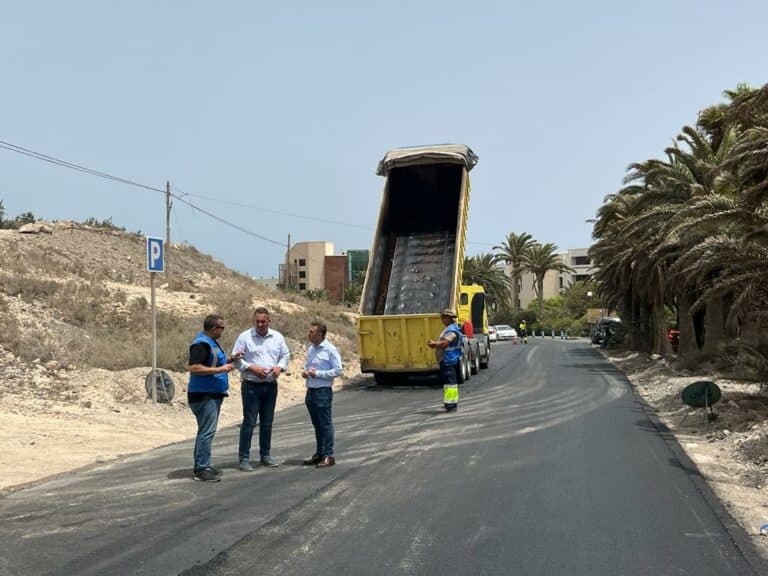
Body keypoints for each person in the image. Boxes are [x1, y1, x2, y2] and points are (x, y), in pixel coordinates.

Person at [232, 307, 290, 471]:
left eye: (263, 321)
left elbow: (285, 355)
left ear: (269, 321)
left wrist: (279, 367)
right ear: (253, 321)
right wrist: (251, 368)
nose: (260, 324)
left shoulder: (277, 337)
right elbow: (236, 358)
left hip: (270, 386)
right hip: (251, 386)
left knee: (267, 422)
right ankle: (244, 458)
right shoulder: (245, 337)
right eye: (257, 321)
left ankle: (265, 455)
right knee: (249, 422)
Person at [187, 314, 243, 482]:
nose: (222, 331)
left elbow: (213, 360)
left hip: (211, 393)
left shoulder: (210, 343)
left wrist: (231, 359)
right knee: (206, 432)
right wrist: (220, 370)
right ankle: (202, 469)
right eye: (221, 328)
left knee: (204, 431)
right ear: (213, 329)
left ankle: (202, 465)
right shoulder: (202, 344)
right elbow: (194, 367)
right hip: (205, 395)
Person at [301, 321, 343, 468]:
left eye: (311, 331)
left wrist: (318, 373)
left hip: (323, 391)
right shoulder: (311, 349)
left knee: (325, 424)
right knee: (317, 424)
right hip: (311, 390)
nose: (308, 334)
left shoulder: (330, 350)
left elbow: (338, 370)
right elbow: (309, 367)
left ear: (319, 334)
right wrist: (306, 373)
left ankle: (328, 455)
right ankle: (319, 452)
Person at [427, 308, 463, 411]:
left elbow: (444, 344)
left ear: (450, 318)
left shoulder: (451, 330)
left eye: (444, 317)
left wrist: (434, 344)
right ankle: (449, 403)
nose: (442, 319)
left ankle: (451, 405)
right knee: (449, 383)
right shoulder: (449, 328)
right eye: (442, 317)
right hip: (447, 359)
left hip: (448, 359)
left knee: (450, 383)